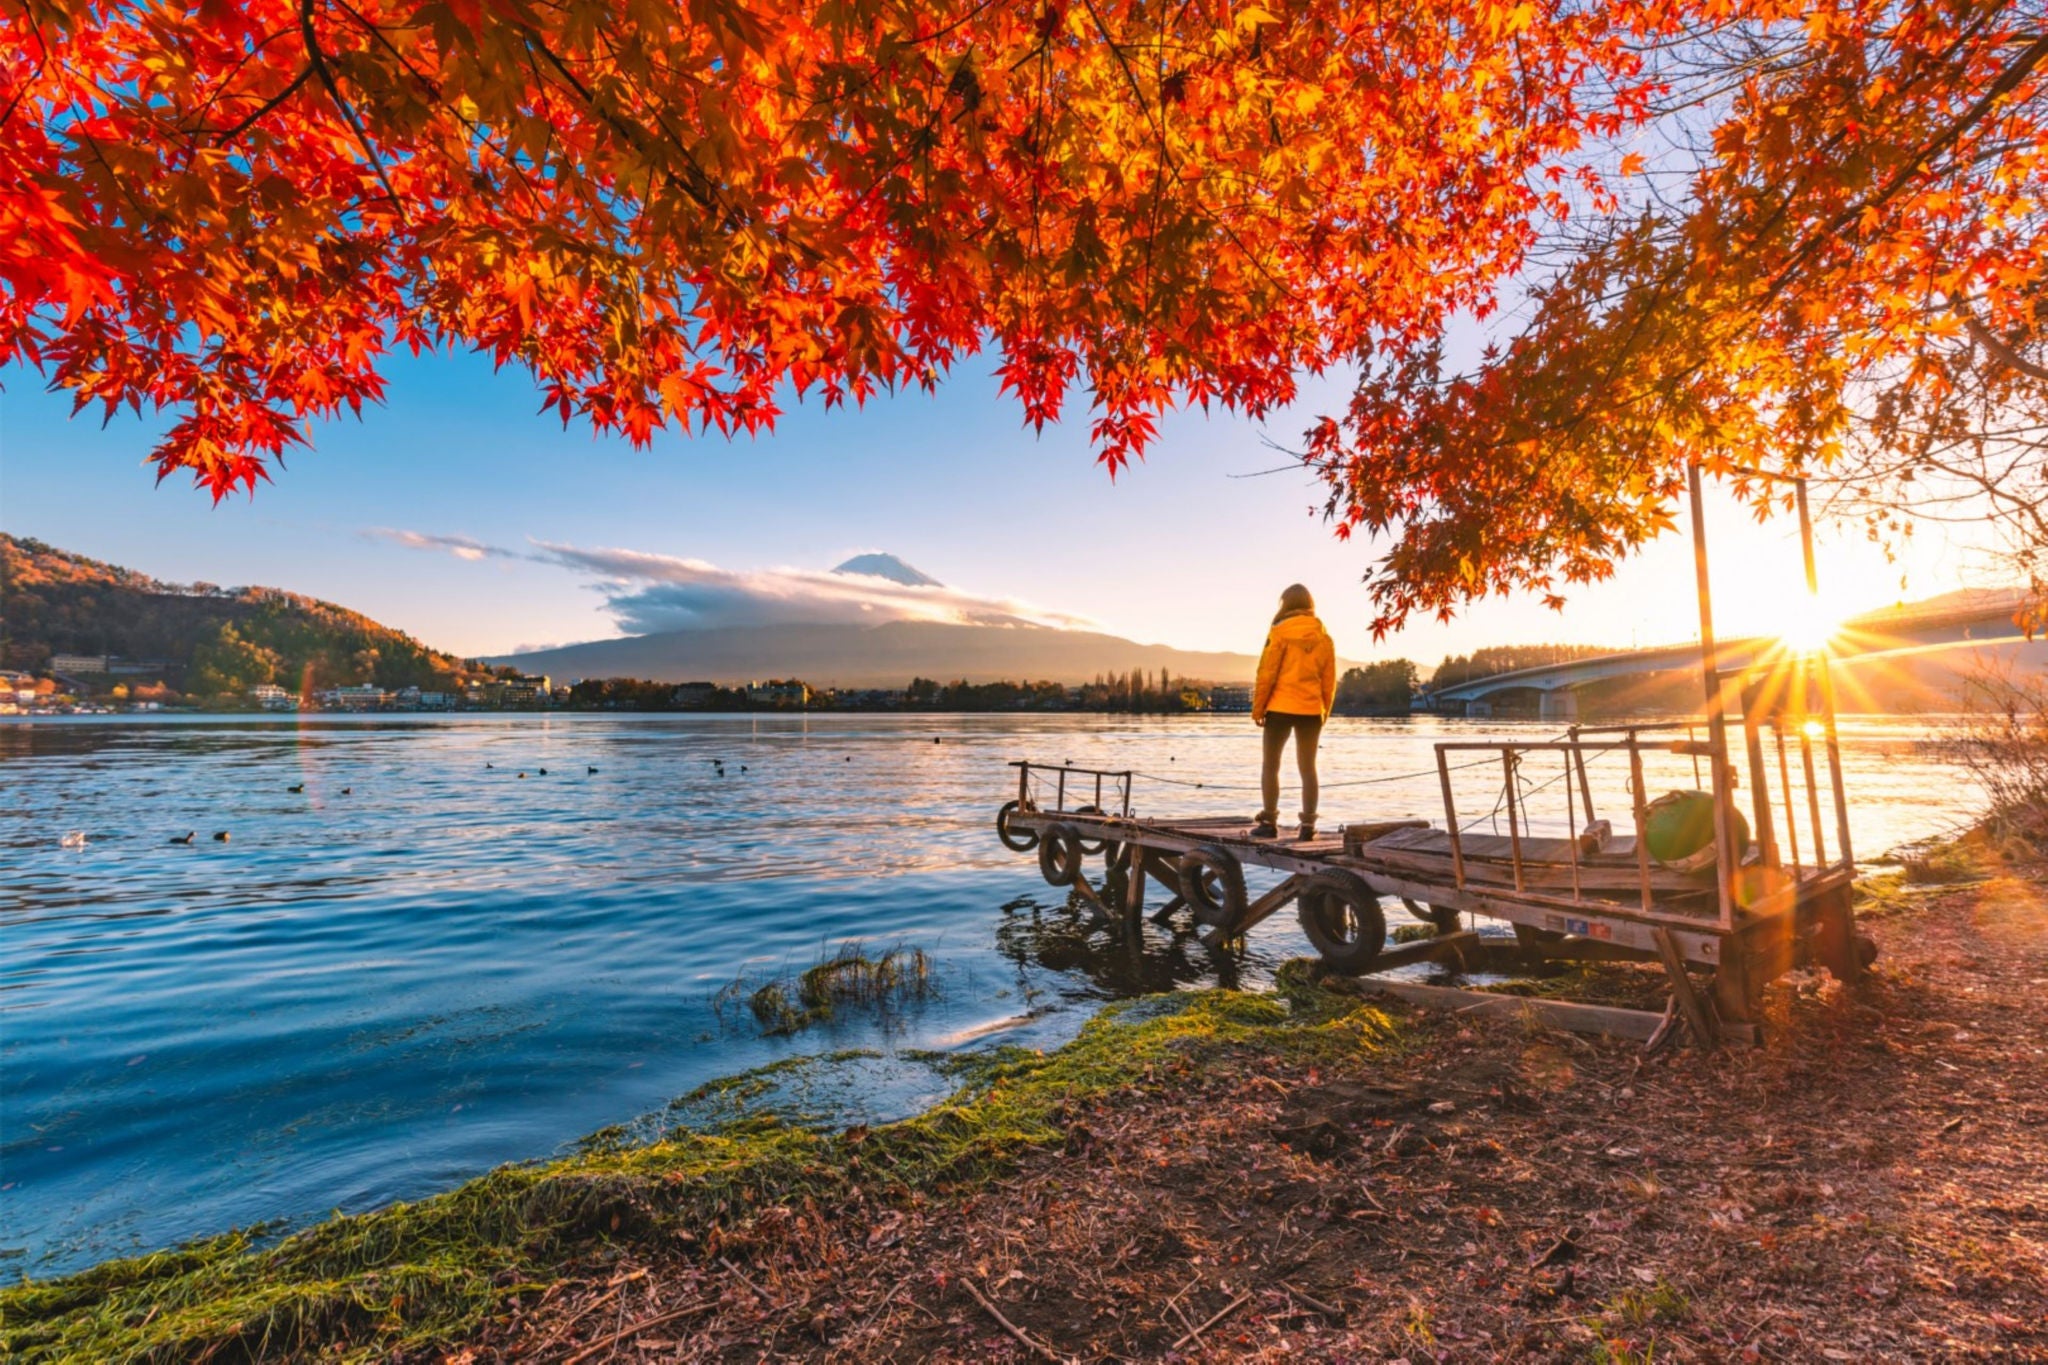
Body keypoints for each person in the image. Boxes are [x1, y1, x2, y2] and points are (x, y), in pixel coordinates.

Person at [1251, 583, 1336, 840]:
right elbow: (1329, 681)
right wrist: (1324, 712)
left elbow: (1267, 673)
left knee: (1271, 766)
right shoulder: (1324, 638)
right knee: (1308, 768)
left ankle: (1269, 822)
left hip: (1279, 707)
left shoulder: (1279, 633)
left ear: (1285, 604)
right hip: (1311, 710)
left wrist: (1258, 709)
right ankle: (1308, 827)